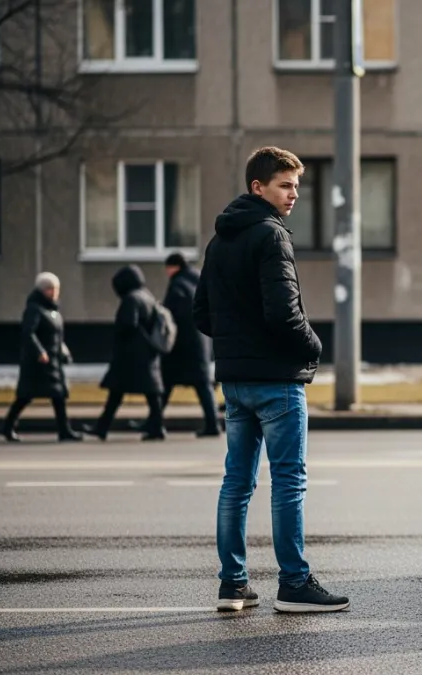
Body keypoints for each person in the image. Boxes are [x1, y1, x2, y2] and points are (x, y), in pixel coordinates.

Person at [193, 146, 348, 613]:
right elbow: (283, 314)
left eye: (297, 186)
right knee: (288, 482)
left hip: (236, 381)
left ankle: (233, 585)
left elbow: (202, 314)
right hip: (277, 380)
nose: (294, 194)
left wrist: (239, 342)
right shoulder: (271, 236)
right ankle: (294, 584)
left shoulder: (219, 242)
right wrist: (314, 347)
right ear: (257, 187)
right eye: (285, 185)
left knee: (236, 483)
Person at [85, 265, 167, 442]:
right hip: (147, 353)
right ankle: (156, 427)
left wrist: (118, 338)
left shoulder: (131, 299)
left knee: (117, 392)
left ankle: (102, 428)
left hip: (131, 355)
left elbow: (128, 324)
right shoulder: (147, 296)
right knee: (150, 394)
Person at [0, 273, 83, 442]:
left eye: (56, 289)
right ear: (43, 290)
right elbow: (28, 333)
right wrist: (40, 351)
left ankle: (64, 430)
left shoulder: (53, 311)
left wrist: (64, 352)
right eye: (50, 289)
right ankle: (7, 426)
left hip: (53, 361)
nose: (54, 292)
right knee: (25, 396)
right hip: (37, 363)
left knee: (58, 396)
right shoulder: (34, 309)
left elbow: (58, 336)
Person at [160, 252, 220, 437]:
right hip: (201, 341)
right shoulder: (197, 280)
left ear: (174, 267)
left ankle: (154, 422)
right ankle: (213, 424)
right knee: (202, 385)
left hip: (183, 344)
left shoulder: (178, 284)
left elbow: (174, 314)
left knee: (166, 382)